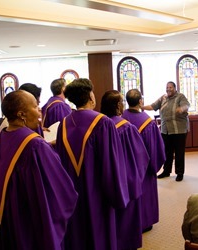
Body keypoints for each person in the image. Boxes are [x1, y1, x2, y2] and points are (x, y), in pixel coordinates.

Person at [0, 90, 78, 250]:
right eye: (36, 107)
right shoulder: (34, 145)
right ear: (22, 114)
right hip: (31, 222)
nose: (40, 110)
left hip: (10, 218)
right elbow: (60, 190)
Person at [55, 78, 129, 250]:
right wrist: (118, 195)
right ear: (90, 96)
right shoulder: (103, 122)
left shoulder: (63, 124)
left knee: (78, 234)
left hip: (71, 192)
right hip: (98, 193)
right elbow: (111, 163)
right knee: (99, 234)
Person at [100, 90, 149, 250]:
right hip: (126, 180)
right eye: (121, 102)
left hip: (104, 180)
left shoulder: (98, 127)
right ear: (117, 106)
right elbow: (140, 157)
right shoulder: (126, 128)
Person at [122, 88, 165, 232]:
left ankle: (128, 222)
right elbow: (156, 150)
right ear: (140, 101)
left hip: (124, 167)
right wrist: (154, 165)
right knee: (145, 193)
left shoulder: (119, 120)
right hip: (144, 169)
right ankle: (145, 222)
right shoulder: (147, 123)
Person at [142, 81, 190, 181]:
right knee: (167, 152)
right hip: (166, 130)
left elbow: (186, 105)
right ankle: (166, 171)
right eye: (167, 87)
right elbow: (153, 106)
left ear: (175, 88)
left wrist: (181, 109)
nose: (168, 89)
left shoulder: (180, 96)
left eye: (170, 87)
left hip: (179, 130)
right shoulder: (163, 98)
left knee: (179, 152)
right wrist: (141, 107)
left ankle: (179, 173)